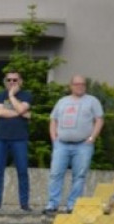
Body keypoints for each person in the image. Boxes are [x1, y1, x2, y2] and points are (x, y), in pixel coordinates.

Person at [45, 75, 104, 215]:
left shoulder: (92, 101)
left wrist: (92, 138)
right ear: (71, 86)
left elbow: (99, 120)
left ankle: (72, 205)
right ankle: (52, 204)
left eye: (82, 84)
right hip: (62, 145)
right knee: (55, 174)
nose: (80, 86)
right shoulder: (62, 101)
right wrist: (54, 138)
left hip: (83, 145)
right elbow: (53, 119)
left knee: (79, 176)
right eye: (77, 84)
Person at [0, 69, 32, 211]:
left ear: (21, 81)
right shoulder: (0, 96)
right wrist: (20, 113)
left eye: (15, 80)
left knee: (22, 171)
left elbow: (23, 108)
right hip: (1, 139)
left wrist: (12, 96)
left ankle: (24, 204)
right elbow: (0, 112)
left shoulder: (26, 95)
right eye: (9, 80)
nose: (12, 82)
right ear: (5, 82)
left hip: (19, 139)